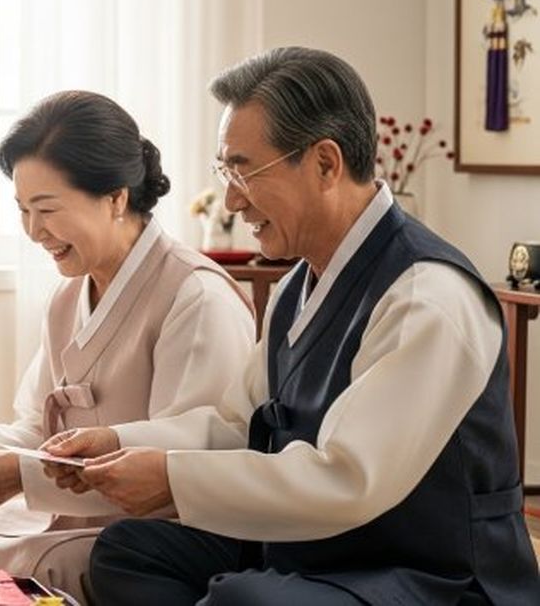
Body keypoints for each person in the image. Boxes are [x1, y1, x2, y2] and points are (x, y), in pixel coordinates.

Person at [45, 47, 540, 604]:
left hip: (428, 573)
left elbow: (348, 479)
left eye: (244, 169)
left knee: (245, 599)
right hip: (317, 547)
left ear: (326, 164)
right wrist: (117, 442)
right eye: (224, 170)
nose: (231, 199)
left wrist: (171, 479)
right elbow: (238, 424)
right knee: (128, 549)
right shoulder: (297, 286)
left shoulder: (426, 296)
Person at [0, 90, 255, 604]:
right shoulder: (67, 295)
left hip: (152, 534)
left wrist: (22, 476)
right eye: (23, 210)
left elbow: (190, 456)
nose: (34, 231)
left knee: (41, 565)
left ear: (116, 197)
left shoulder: (196, 295)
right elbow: (37, 423)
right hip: (69, 506)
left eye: (47, 209)